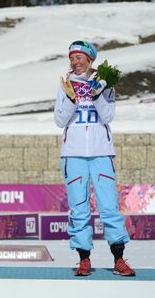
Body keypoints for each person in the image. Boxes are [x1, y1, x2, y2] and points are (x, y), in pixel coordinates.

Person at [55, 40, 135, 277]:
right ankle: (84, 259)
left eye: (79, 57)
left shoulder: (106, 83)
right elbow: (60, 121)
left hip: (101, 153)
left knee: (109, 207)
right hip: (73, 155)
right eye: (71, 58)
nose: (74, 62)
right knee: (79, 209)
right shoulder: (65, 84)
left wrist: (98, 92)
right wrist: (71, 98)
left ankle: (119, 259)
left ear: (90, 60)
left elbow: (108, 116)